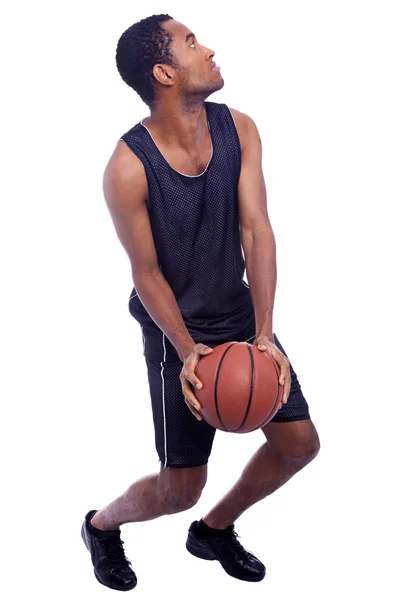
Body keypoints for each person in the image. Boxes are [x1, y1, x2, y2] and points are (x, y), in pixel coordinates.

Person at [81, 13, 320, 591]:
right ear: (164, 72)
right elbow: (146, 275)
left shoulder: (240, 129)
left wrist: (264, 335)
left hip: (239, 315)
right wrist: (190, 350)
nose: (208, 48)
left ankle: (212, 532)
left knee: (299, 445)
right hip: (175, 333)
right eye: (191, 43)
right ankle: (100, 526)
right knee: (179, 488)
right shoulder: (127, 167)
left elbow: (256, 228)